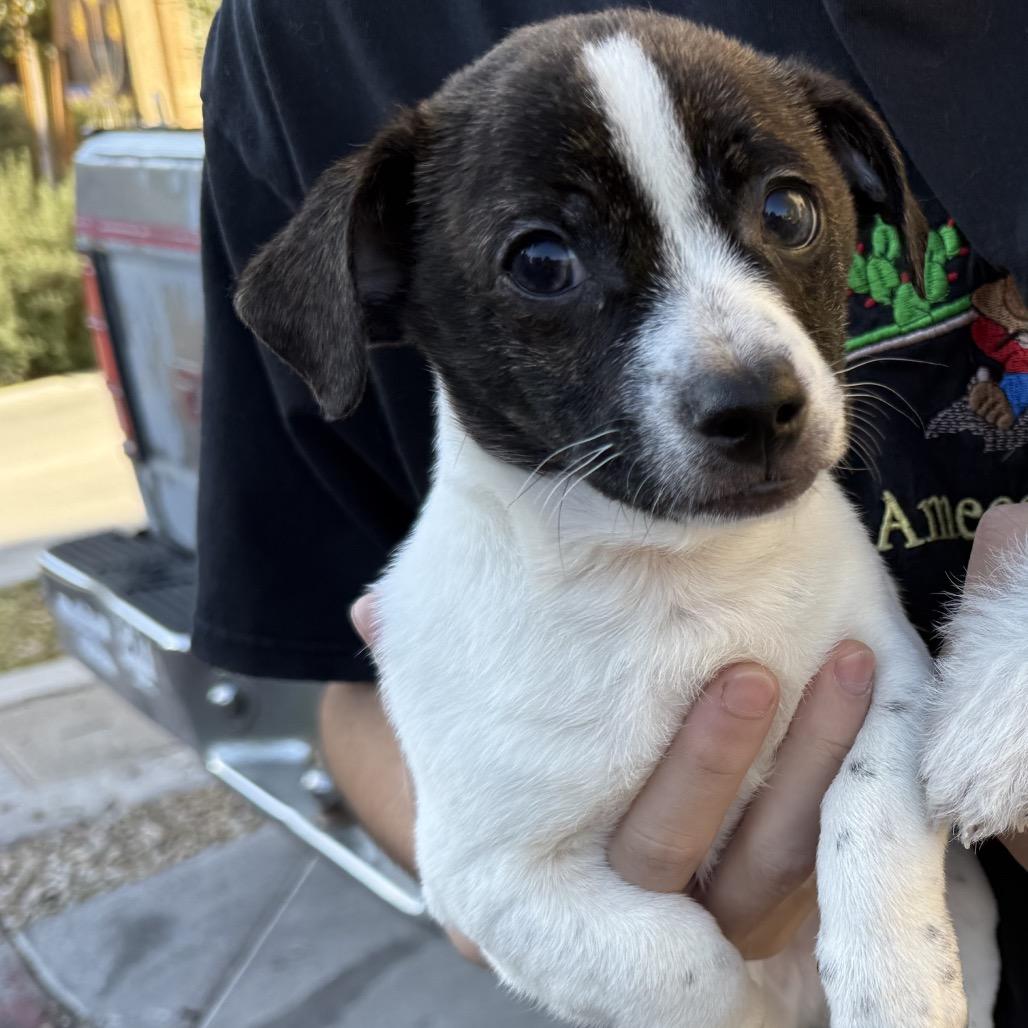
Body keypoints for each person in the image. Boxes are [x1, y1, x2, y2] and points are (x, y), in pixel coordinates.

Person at [195, 0, 1028, 1021]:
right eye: (544, 264)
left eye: (781, 215)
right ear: (379, 285)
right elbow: (443, 826)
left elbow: (896, 700)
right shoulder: (306, 34)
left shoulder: (813, 550)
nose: (737, 362)